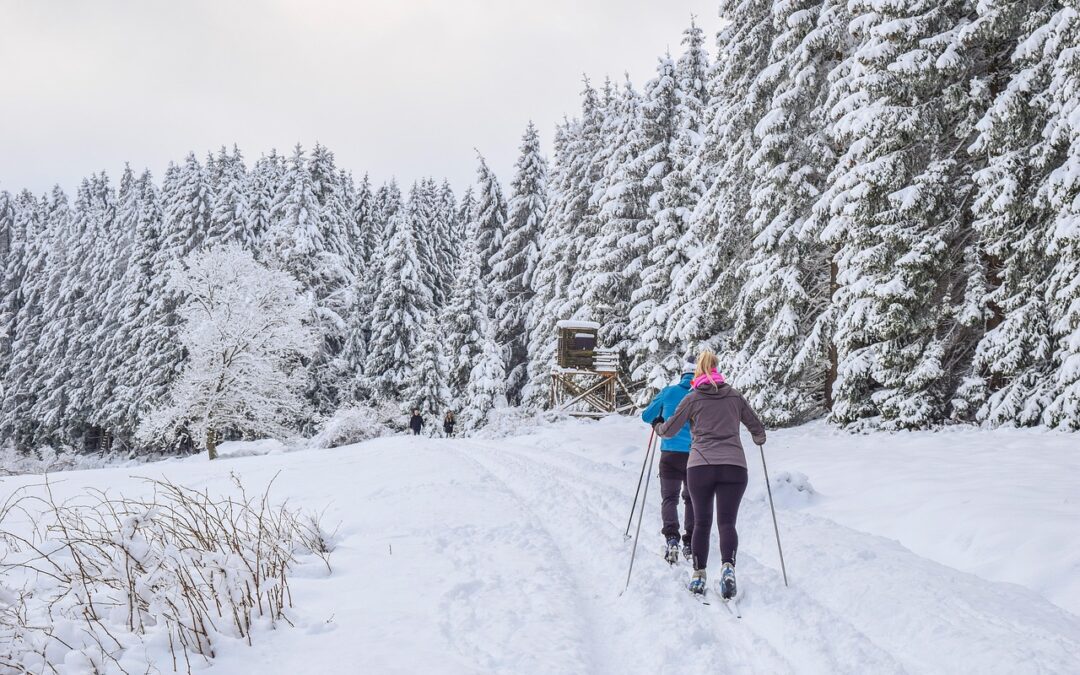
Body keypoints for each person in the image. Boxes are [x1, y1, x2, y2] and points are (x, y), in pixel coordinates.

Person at [654, 349, 766, 599]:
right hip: (734, 467)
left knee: (702, 523)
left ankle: (699, 574)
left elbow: (670, 429)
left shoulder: (693, 398)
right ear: (717, 369)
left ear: (698, 372)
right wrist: (758, 438)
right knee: (727, 523)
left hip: (701, 466)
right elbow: (757, 429)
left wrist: (658, 426)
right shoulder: (735, 396)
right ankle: (728, 567)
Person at [640, 357, 696, 564]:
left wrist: (659, 420)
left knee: (669, 499)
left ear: (682, 374)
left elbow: (646, 416)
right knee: (692, 499)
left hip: (670, 453)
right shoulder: (701, 395)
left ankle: (672, 538)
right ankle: (690, 542)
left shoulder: (669, 392)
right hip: (695, 455)